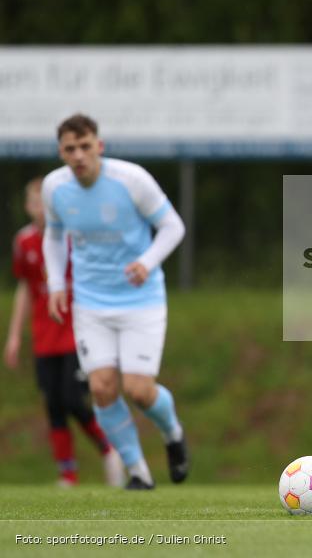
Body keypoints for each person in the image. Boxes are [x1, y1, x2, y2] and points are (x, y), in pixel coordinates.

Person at [41, 114, 188, 490]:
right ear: (60, 152)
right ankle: (138, 472)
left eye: (85, 146)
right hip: (90, 302)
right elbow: (54, 238)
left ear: (99, 146)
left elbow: (173, 227)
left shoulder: (131, 180)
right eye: (70, 149)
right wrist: (57, 283)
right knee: (103, 388)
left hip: (142, 299)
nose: (78, 156)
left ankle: (172, 432)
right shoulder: (54, 188)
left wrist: (147, 261)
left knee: (138, 390)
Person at [4, 178, 124, 487]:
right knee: (53, 404)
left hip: (76, 332)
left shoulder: (73, 237)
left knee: (73, 399)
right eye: (34, 203)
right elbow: (26, 290)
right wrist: (15, 336)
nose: (39, 209)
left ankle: (108, 448)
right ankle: (67, 473)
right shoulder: (24, 242)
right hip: (44, 336)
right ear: (28, 207)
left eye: (45, 203)